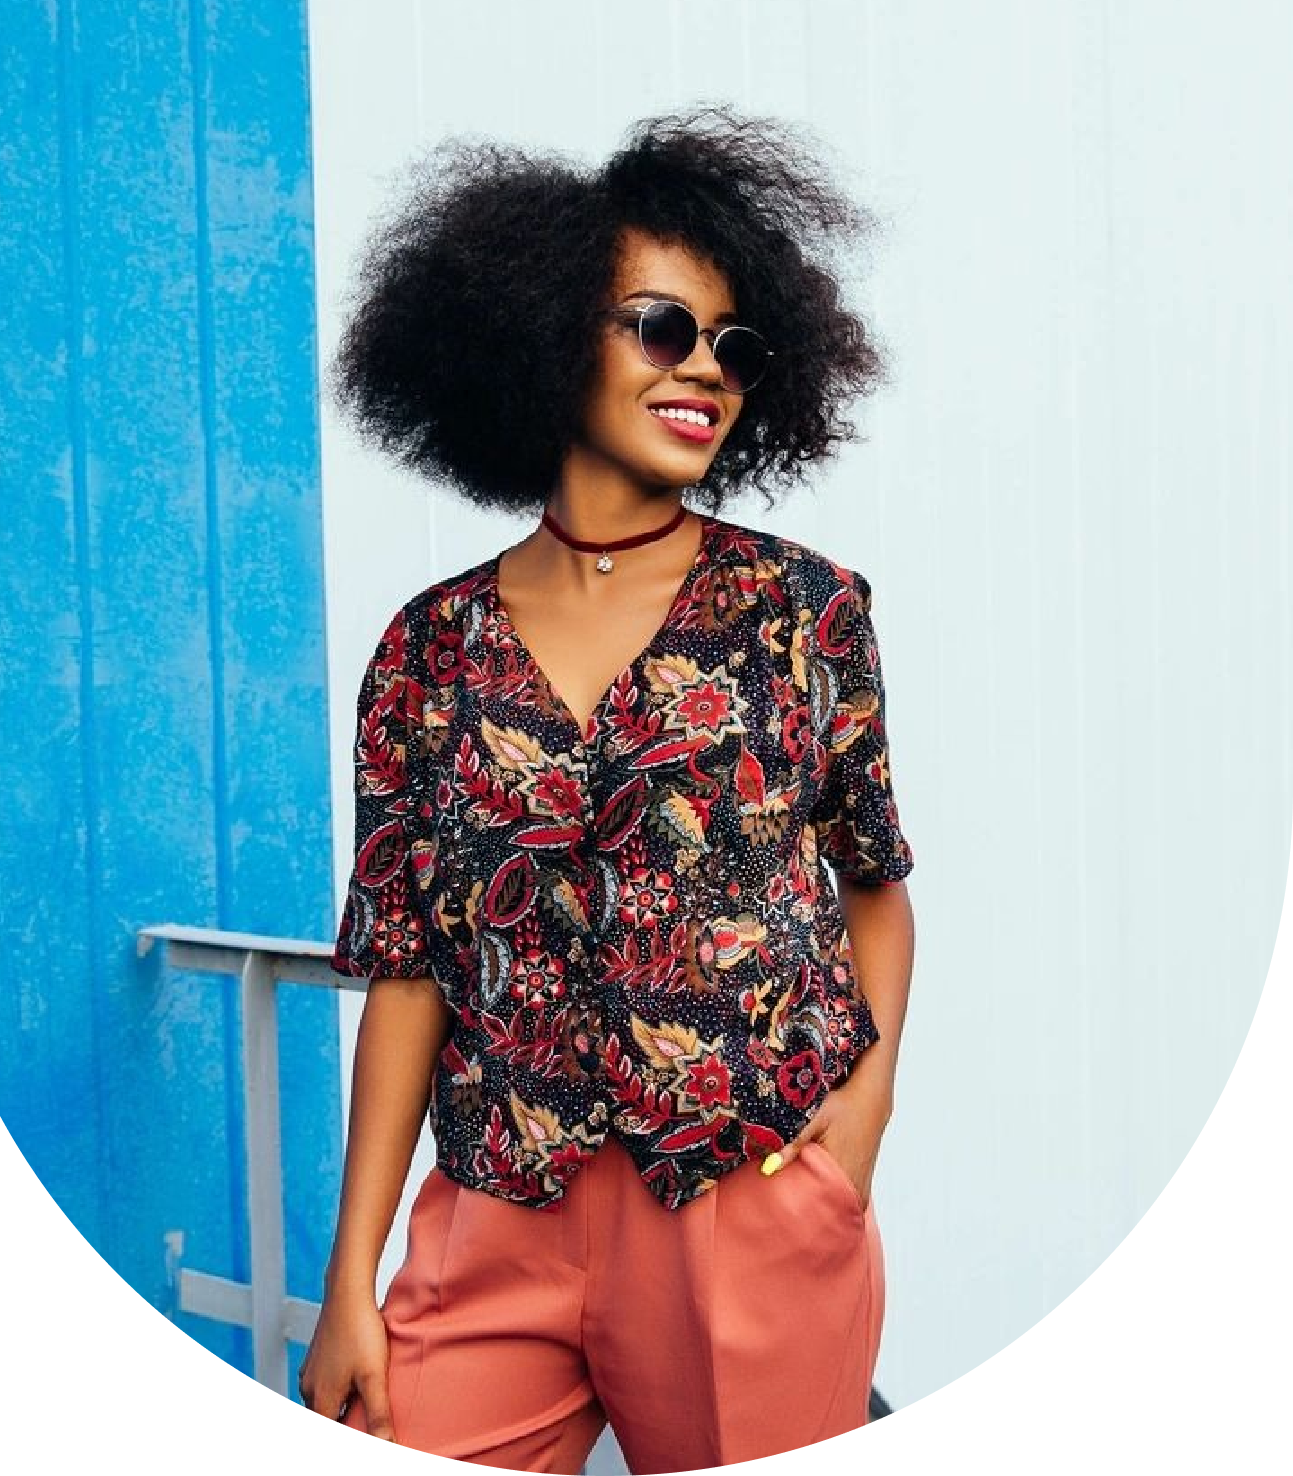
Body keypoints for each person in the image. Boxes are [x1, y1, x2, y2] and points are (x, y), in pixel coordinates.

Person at [299, 104, 916, 1472]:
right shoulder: (427, 651)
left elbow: (874, 884)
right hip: (491, 1213)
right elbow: (408, 973)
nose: (707, 369)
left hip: (740, 1202)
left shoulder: (803, 611)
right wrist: (355, 1275)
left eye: (736, 347)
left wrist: (849, 1146)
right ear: (541, 327)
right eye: (663, 328)